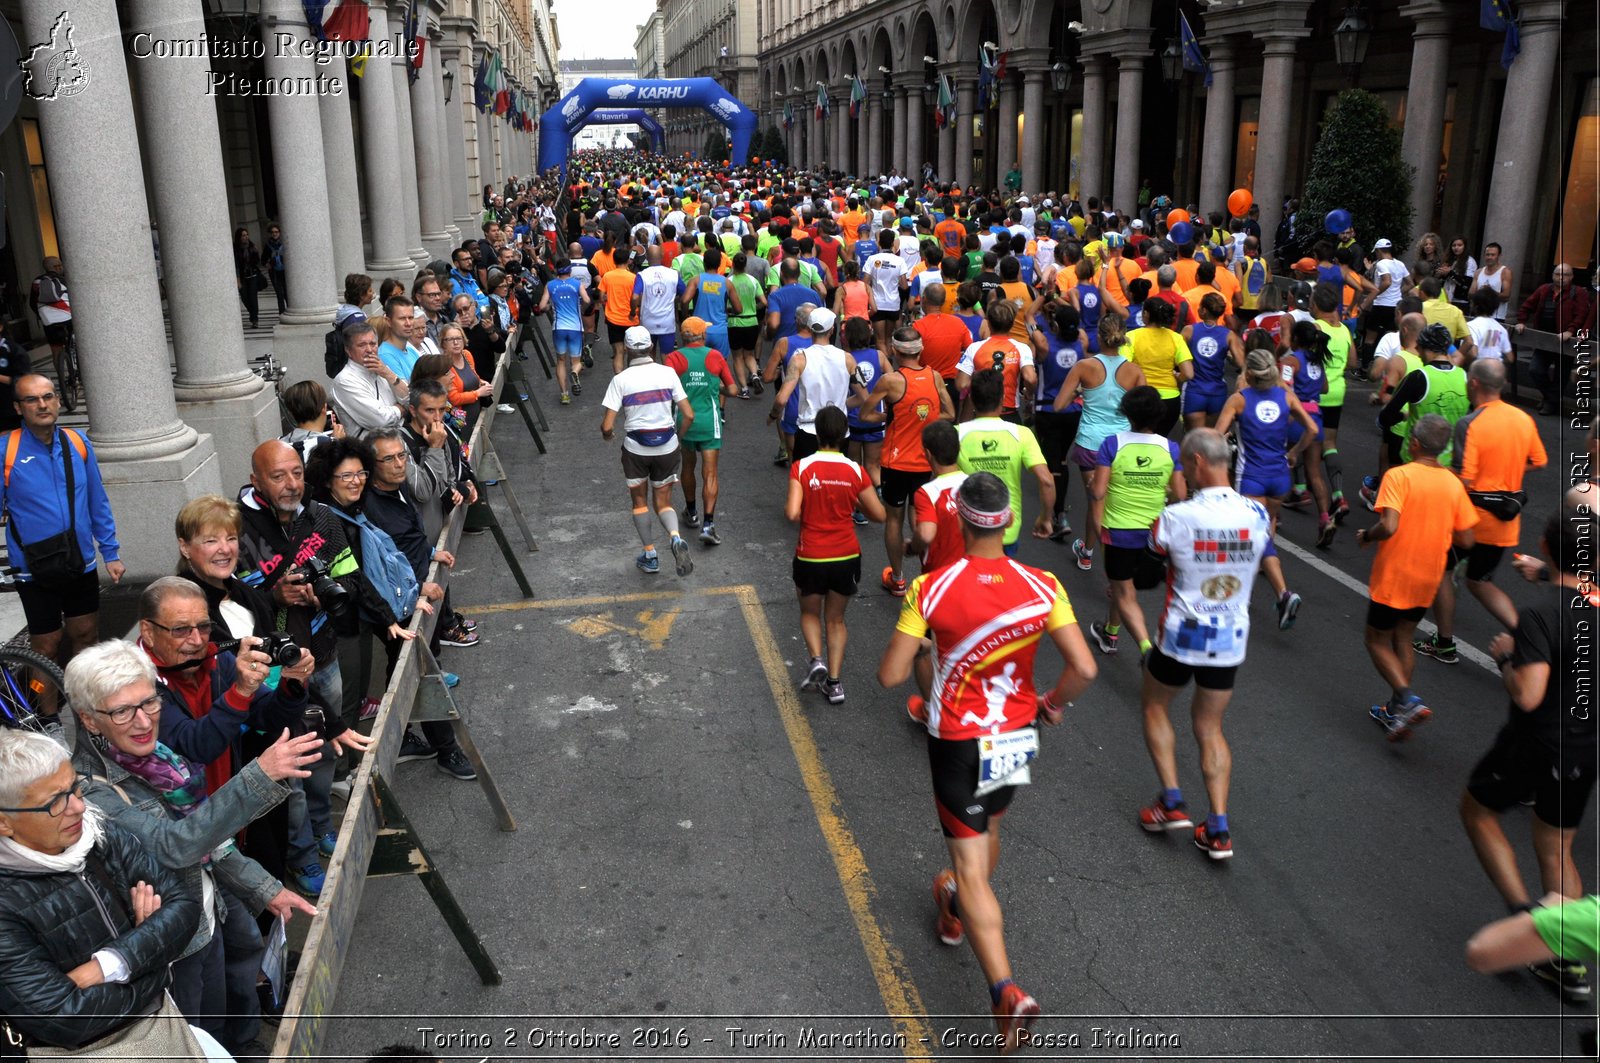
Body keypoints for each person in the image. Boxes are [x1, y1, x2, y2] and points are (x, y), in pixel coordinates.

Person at [876, 472, 1097, 1051]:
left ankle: (1006, 989)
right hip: (1018, 732)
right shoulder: (1044, 584)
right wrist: (1051, 702)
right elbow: (1085, 668)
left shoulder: (929, 589)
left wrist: (928, 641)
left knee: (970, 867)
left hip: (958, 740)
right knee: (989, 828)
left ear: (960, 520)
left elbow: (891, 676)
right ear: (1009, 520)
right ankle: (954, 910)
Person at [67, 640, 320, 1054]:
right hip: (173, 944)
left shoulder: (160, 757)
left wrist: (262, 887)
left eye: (149, 702)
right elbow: (176, 845)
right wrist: (259, 775)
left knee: (224, 1009)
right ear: (90, 721)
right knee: (193, 1033)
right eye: (121, 711)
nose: (144, 721)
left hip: (208, 908)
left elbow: (209, 840)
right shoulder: (89, 790)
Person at [0, 728, 214, 1056]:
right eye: (54, 802)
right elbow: (64, 1017)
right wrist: (155, 956)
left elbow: (184, 905)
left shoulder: (100, 834)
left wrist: (109, 964)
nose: (79, 808)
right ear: (4, 823)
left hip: (162, 1028)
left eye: (75, 787)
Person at [1460, 509, 1597, 1003]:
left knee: (1476, 811)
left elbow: (1529, 695)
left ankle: (1526, 926)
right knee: (1557, 847)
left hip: (1535, 741)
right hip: (1586, 747)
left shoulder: (1541, 616)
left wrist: (1503, 654)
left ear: (1544, 542)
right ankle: (1570, 960)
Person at [1135, 429, 1273, 860]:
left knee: (1156, 706)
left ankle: (1171, 800)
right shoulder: (1258, 513)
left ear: (1195, 462)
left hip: (1182, 634)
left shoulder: (1175, 517)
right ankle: (1217, 827)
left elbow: (1146, 574)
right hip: (1230, 636)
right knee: (1211, 727)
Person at [1, 373, 125, 727]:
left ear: (57, 400)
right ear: (18, 408)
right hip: (33, 566)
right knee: (46, 646)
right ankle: (49, 712)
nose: (42, 404)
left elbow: (97, 501)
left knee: (86, 636)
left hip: (79, 561)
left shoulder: (78, 442)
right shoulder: (6, 450)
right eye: (32, 400)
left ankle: (88, 709)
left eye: (48, 396)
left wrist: (110, 551)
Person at [1413, 359, 1548, 665]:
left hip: (1469, 520)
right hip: (1504, 520)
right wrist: (1508, 471)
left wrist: (1436, 473)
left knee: (1443, 573)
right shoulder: (1523, 419)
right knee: (1480, 581)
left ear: (1473, 383)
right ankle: (1529, 638)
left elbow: (1466, 479)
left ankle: (1444, 643)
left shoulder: (1470, 423)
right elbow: (1539, 460)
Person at [360, 431, 476, 780]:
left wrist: (429, 553)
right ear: (371, 466)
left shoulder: (397, 491)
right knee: (422, 671)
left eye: (402, 457)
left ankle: (407, 737)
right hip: (398, 606)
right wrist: (415, 589)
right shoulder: (368, 506)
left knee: (406, 667)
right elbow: (380, 564)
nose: (399, 464)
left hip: (416, 595)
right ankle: (446, 750)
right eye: (389, 459)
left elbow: (408, 538)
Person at [1355, 415, 1478, 741]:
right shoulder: (1453, 483)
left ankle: (1405, 699)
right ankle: (1395, 712)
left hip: (1395, 574)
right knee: (1403, 638)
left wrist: (1368, 535)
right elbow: (1466, 540)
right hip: (1429, 576)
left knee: (1376, 640)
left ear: (1415, 443)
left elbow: (1389, 525)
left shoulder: (1398, 475)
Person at [785, 406, 885, 704]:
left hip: (811, 554)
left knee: (809, 613)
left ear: (817, 432)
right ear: (844, 435)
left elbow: (791, 512)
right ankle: (835, 683)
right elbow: (879, 514)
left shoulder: (801, 468)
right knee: (837, 620)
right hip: (846, 555)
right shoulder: (855, 470)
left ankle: (817, 659)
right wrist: (853, 502)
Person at [1082, 385, 1185, 660]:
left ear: (1128, 413)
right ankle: (1110, 632)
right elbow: (1180, 495)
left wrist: (1093, 483)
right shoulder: (1170, 447)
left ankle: (1146, 650)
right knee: (1122, 587)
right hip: (1155, 534)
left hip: (1118, 531)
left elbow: (1099, 491)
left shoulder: (1113, 444)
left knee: (1123, 590)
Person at [854, 327, 955, 596]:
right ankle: (926, 580)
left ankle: (898, 579)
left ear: (896, 352)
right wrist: (926, 420)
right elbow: (950, 413)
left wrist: (891, 418)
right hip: (925, 464)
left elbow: (865, 415)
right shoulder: (934, 376)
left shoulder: (890, 381)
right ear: (920, 350)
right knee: (920, 521)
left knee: (894, 521)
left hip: (895, 462)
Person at [601, 327, 696, 577]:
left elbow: (607, 425)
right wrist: (677, 438)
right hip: (667, 446)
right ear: (651, 347)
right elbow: (688, 414)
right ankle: (675, 538)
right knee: (663, 502)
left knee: (640, 501)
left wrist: (608, 436)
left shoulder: (620, 379)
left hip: (636, 449)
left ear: (628, 349)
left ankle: (650, 554)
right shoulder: (668, 373)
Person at [1060, 317, 1146, 572]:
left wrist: (1079, 393)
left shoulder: (1084, 366)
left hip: (1090, 444)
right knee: (1114, 502)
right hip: (1121, 444)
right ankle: (1104, 555)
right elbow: (1145, 410)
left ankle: (1095, 557)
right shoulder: (1134, 370)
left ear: (1099, 336)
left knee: (1095, 502)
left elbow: (1059, 404)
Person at [956, 369, 1054, 557]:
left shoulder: (956, 434)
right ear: (1002, 399)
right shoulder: (1022, 434)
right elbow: (1047, 481)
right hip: (1006, 531)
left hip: (965, 530)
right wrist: (1046, 518)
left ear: (973, 401)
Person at [665, 317, 737, 545]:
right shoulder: (715, 356)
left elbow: (668, 389)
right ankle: (708, 524)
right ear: (702, 335)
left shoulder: (674, 358)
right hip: (710, 421)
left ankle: (691, 512)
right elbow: (733, 390)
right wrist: (715, 386)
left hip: (685, 421)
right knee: (710, 473)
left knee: (688, 466)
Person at [772, 308, 860, 462]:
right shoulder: (848, 359)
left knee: (805, 480)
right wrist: (839, 407)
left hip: (809, 430)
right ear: (832, 330)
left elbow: (781, 399)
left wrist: (773, 415)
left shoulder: (800, 359)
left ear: (810, 328)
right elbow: (863, 396)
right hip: (839, 432)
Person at [1515, 263, 1593, 415]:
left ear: (1571, 277)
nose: (1561, 277)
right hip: (1544, 340)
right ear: (1553, 275)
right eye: (1558, 274)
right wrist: (1521, 321)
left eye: (1565, 275)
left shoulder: (1578, 293)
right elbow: (1527, 305)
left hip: (1566, 341)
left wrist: (1570, 331)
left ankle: (1550, 404)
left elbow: (1581, 315)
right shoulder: (1544, 289)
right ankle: (1551, 399)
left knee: (1560, 375)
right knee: (1535, 369)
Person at [1123, 297, 1192, 435]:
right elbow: (1189, 374)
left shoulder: (1132, 336)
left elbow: (1124, 366)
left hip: (1142, 399)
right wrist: (1178, 377)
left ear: (1146, 314)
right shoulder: (1176, 338)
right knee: (1161, 440)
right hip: (1170, 400)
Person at [331, 320, 407, 437]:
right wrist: (401, 409)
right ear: (348, 350)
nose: (370, 350)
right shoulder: (345, 380)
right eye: (362, 345)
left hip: (399, 438)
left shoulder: (383, 369)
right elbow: (380, 420)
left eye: (373, 344)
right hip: (370, 449)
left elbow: (410, 400)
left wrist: (389, 375)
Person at [1180, 293, 1242, 430]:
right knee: (1209, 441)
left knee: (1193, 440)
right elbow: (1241, 363)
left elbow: (1176, 357)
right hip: (1217, 393)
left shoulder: (1189, 331)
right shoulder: (1228, 335)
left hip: (1194, 391)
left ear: (1204, 310)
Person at [538, 259, 590, 405]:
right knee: (576, 361)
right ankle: (574, 372)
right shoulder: (577, 284)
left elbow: (542, 306)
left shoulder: (550, 285)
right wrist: (580, 308)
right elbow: (587, 299)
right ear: (570, 270)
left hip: (558, 327)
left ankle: (564, 394)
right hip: (575, 327)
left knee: (561, 360)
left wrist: (550, 306)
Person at [29, 256, 73, 393]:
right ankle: (77, 370)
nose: (61, 267)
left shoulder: (37, 282)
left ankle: (61, 376)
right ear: (57, 267)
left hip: (49, 320)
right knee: (76, 342)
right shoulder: (65, 280)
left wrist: (41, 316)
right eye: (59, 265)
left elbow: (32, 303)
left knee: (55, 348)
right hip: (67, 318)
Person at [234, 226, 262, 328]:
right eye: (243, 235)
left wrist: (256, 252)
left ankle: (255, 319)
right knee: (245, 298)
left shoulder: (252, 247)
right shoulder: (236, 249)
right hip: (242, 277)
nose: (246, 237)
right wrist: (237, 280)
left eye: (247, 235)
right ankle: (253, 314)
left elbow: (257, 262)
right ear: (239, 237)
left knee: (253, 298)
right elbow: (236, 265)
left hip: (253, 275)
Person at [263, 223, 287, 316]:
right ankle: (282, 313)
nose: (274, 234)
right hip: (274, 272)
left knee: (287, 293)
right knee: (279, 293)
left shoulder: (284, 243)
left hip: (285, 272)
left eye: (276, 232)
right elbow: (263, 259)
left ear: (280, 233)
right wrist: (267, 263)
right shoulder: (268, 245)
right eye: (272, 232)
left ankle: (290, 311)